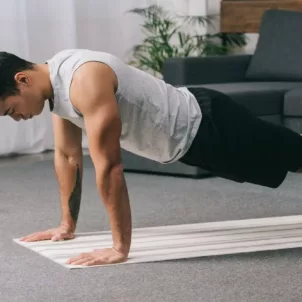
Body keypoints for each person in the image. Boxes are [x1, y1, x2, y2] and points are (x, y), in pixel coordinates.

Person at [1, 49, 302, 266]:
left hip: (208, 123)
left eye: (10, 110)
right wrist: (66, 225)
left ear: (22, 79)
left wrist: (120, 248)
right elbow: (68, 157)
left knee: (293, 155)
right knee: (279, 163)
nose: (16, 119)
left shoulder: (84, 79)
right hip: (189, 144)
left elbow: (110, 167)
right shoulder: (56, 91)